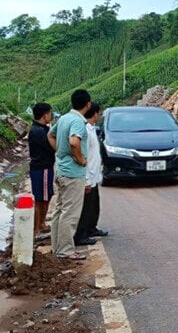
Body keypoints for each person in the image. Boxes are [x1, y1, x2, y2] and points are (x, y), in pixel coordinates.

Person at [48, 89, 92, 260]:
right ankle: (66, 250)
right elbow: (74, 142)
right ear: (88, 104)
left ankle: (57, 247)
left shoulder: (64, 118)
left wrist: (60, 152)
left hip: (60, 168)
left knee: (60, 210)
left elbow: (50, 135)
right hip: (72, 173)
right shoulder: (78, 122)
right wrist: (80, 159)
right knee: (70, 212)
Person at [75, 103, 108, 246]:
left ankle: (91, 228)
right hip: (88, 174)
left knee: (94, 204)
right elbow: (83, 154)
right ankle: (81, 234)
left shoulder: (92, 129)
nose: (99, 116)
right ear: (94, 114)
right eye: (98, 113)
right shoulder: (85, 131)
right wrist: (87, 178)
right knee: (86, 207)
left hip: (94, 174)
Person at [28, 102, 55, 237]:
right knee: (41, 199)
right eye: (50, 113)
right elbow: (51, 148)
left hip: (43, 168)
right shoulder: (39, 132)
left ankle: (41, 223)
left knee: (46, 196)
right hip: (42, 168)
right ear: (45, 115)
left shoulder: (40, 129)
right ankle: (37, 227)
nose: (51, 116)